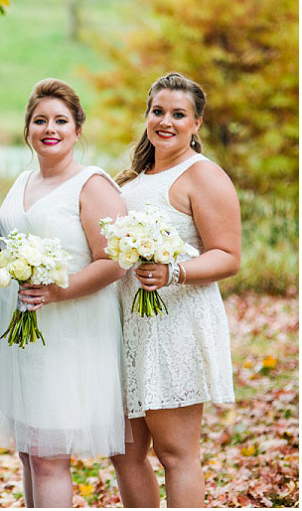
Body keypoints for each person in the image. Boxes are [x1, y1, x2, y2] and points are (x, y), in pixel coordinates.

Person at [0, 78, 128, 507]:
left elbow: (114, 261)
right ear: (28, 129)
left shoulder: (92, 184)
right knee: (29, 452)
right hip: (17, 331)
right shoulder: (21, 182)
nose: (49, 129)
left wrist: (58, 291)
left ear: (77, 129)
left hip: (67, 330)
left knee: (49, 454)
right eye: (40, 121)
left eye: (60, 121)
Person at [109, 73, 239, 508]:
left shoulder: (203, 175)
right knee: (124, 453)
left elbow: (227, 255)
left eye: (178, 114)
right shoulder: (130, 179)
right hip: (126, 327)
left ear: (197, 123)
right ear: (147, 115)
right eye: (158, 111)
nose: (166, 121)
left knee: (174, 452)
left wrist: (174, 272)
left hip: (174, 327)